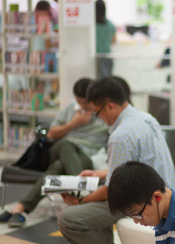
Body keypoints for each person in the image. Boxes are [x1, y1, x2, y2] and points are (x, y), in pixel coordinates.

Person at [57, 77, 175, 244]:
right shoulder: (145, 118)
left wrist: (80, 202)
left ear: (110, 107)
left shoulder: (121, 135)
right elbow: (138, 164)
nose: (99, 118)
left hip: (145, 202)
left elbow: (111, 191)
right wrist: (99, 174)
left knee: (68, 218)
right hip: (164, 194)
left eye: (97, 113)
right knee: (91, 210)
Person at [0, 78, 109, 227]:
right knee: (65, 144)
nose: (83, 106)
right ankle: (83, 194)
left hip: (86, 156)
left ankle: (20, 208)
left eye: (86, 103)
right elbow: (51, 134)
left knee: (58, 167)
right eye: (80, 103)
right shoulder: (71, 109)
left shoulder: (103, 114)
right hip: (61, 148)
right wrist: (73, 124)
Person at [96, 0, 116, 78]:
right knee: (107, 81)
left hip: (96, 57)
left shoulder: (93, 26)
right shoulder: (110, 24)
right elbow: (113, 41)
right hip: (108, 56)